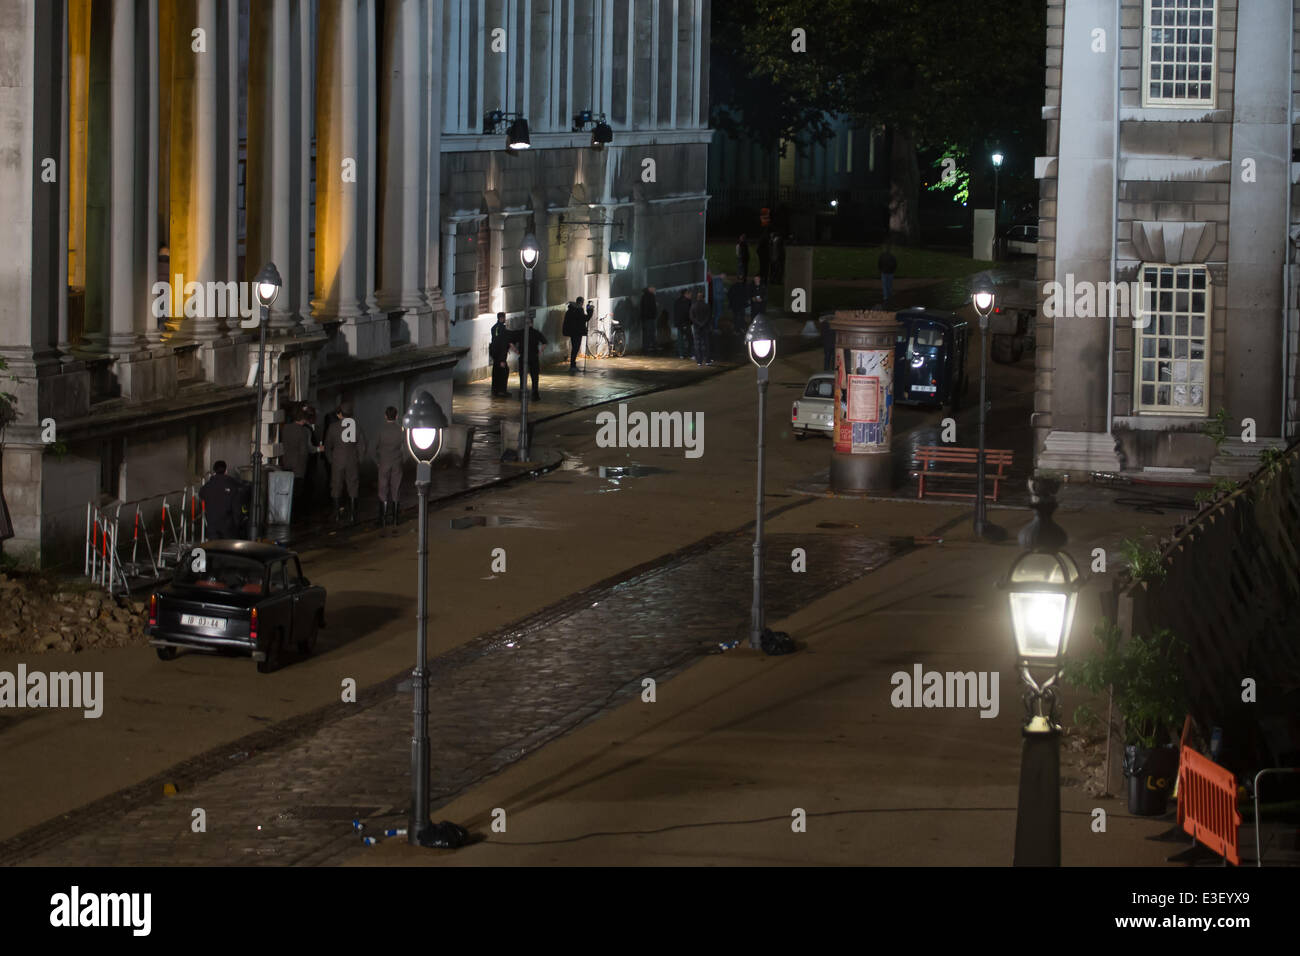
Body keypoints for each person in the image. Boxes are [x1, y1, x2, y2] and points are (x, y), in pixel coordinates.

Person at [325, 399, 368, 524]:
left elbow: (328, 445)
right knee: (353, 485)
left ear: (340, 414)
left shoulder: (333, 427)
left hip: (337, 459)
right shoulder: (357, 426)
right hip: (352, 459)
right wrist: (359, 458)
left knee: (336, 485)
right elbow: (363, 445)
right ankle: (353, 515)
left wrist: (330, 459)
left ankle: (337, 514)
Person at [373, 405, 404, 533]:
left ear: (385, 416)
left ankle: (382, 519)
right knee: (396, 489)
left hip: (384, 463)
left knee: (382, 489)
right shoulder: (401, 430)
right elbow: (407, 448)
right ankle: (396, 518)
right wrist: (402, 460)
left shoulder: (380, 430)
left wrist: (378, 462)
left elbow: (372, 448)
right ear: (396, 416)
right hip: (396, 463)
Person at [199, 460, 244, 540]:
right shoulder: (233, 485)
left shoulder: (207, 486)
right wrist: (237, 523)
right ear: (226, 471)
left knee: (214, 548)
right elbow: (236, 507)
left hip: (212, 523)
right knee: (227, 548)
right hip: (228, 525)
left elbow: (201, 495)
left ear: (214, 471)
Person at [279, 403, 313, 506]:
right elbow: (304, 451)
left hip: (285, 462)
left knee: (286, 490)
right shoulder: (303, 431)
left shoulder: (285, 428)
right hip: (298, 466)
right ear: (303, 419)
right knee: (297, 492)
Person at [513, 314, 546, 400]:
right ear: (532, 323)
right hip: (533, 356)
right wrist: (540, 351)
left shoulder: (520, 332)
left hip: (523, 356)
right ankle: (535, 393)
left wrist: (516, 351)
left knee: (522, 375)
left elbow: (511, 342)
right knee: (534, 376)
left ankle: (522, 392)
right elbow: (544, 342)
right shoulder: (536, 332)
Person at [489, 312, 511, 397]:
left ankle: (495, 390)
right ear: (501, 318)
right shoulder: (502, 328)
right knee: (503, 372)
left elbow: (495, 342)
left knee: (496, 372)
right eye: (504, 318)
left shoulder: (494, 328)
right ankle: (501, 390)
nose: (505, 319)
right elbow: (502, 344)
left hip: (495, 354)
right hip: (500, 355)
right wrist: (502, 359)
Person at [563, 297, 586, 371]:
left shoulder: (570, 310)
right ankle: (572, 365)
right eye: (582, 302)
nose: (583, 304)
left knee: (574, 348)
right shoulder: (578, 310)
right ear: (581, 302)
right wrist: (590, 311)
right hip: (577, 332)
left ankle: (573, 365)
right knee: (575, 348)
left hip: (573, 332)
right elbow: (584, 319)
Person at [690, 290, 712, 366]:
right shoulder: (706, 305)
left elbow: (692, 317)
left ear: (697, 297)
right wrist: (703, 323)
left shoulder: (693, 305)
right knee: (706, 344)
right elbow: (708, 316)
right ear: (703, 297)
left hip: (696, 327)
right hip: (705, 327)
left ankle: (699, 361)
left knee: (697, 344)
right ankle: (707, 361)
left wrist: (698, 323)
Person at [672, 289, 693, 359]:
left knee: (681, 339)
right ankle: (689, 354)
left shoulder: (677, 301)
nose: (691, 295)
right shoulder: (686, 302)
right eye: (690, 294)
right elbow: (685, 313)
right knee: (689, 339)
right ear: (686, 294)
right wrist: (686, 323)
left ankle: (682, 354)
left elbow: (677, 314)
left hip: (680, 323)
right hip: (685, 323)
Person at [640, 286, 658, 354]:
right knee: (650, 333)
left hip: (646, 318)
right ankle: (651, 347)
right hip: (649, 317)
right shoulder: (650, 296)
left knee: (646, 333)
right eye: (653, 288)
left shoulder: (644, 296)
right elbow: (651, 307)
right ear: (650, 288)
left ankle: (647, 347)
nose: (655, 290)